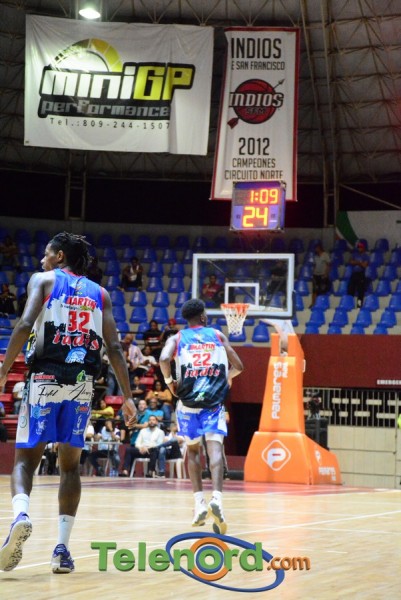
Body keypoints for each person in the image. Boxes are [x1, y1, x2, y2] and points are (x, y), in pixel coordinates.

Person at [0, 231, 136, 574]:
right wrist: (128, 397)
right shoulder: (100, 293)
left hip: (44, 379)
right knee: (70, 467)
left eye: (47, 254)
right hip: (81, 385)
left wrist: (3, 372)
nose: (42, 260)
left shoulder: (43, 280)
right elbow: (114, 348)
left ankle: (21, 515)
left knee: (25, 462)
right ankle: (61, 550)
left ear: (59, 256)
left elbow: (24, 324)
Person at [159, 298, 244, 534]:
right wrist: (227, 376)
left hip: (187, 404)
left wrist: (169, 382)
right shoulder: (217, 335)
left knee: (193, 452)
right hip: (213, 404)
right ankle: (217, 498)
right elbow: (239, 366)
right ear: (204, 317)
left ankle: (199, 505)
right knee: (215, 451)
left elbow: (164, 359)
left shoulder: (178, 338)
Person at [119, 398, 150, 476]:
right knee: (129, 454)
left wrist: (134, 425)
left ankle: (127, 471)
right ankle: (128, 472)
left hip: (144, 443)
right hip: (134, 439)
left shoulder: (148, 414)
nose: (141, 406)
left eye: (143, 404)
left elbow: (145, 426)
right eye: (140, 404)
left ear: (146, 406)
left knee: (129, 451)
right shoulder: (135, 415)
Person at [347, 241, 370, 308]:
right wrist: (360, 262)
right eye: (358, 247)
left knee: (360, 293)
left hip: (361, 275)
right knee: (350, 291)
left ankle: (359, 306)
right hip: (354, 274)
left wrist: (356, 262)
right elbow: (351, 262)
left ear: (364, 248)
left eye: (361, 247)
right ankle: (350, 305)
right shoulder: (354, 255)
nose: (359, 248)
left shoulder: (366, 256)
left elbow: (364, 265)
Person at [311, 243, 331, 307]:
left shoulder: (325, 255)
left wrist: (326, 274)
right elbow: (314, 265)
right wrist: (313, 273)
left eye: (317, 248)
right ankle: (313, 304)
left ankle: (321, 304)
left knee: (322, 290)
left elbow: (328, 265)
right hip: (315, 275)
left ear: (320, 248)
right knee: (314, 290)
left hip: (322, 275)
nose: (316, 249)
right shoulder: (315, 256)